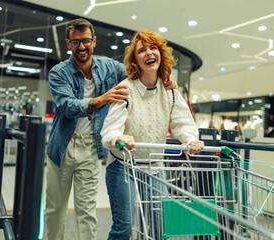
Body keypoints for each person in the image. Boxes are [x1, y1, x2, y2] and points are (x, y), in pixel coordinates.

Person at [46, 19, 177, 240]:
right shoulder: (58, 73)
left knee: (86, 212)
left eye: (86, 41)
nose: (81, 47)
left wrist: (165, 75)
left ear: (94, 41)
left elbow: (139, 71)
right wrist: (101, 100)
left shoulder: (109, 67)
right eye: (75, 42)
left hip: (91, 147)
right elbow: (67, 106)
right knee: (55, 211)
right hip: (62, 147)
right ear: (68, 44)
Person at [101, 30, 204, 239]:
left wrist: (191, 139)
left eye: (153, 48)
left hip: (154, 167)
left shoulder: (170, 90)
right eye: (142, 50)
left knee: (158, 227)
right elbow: (110, 129)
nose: (149, 53)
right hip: (123, 166)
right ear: (135, 60)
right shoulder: (125, 89)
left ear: (161, 54)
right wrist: (118, 138)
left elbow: (182, 122)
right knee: (124, 228)